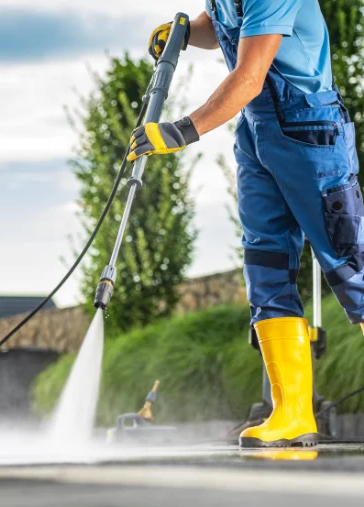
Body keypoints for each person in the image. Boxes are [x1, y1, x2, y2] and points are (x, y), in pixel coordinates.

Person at [130, 0, 362, 448]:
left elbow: (250, 76)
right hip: (257, 134)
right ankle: (292, 413)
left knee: (352, 268)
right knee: (266, 270)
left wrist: (181, 129)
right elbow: (224, 28)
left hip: (310, 129)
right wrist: (183, 33)